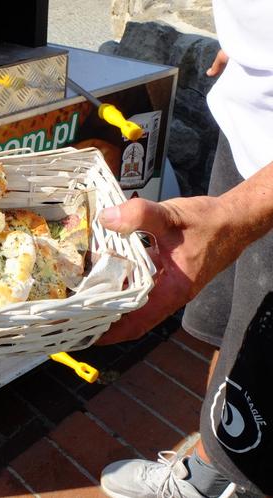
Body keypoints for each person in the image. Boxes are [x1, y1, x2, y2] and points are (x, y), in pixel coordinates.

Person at [97, 1, 273, 497]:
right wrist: (251, 42)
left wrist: (239, 214)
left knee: (264, 397)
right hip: (247, 138)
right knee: (233, 336)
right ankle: (208, 471)